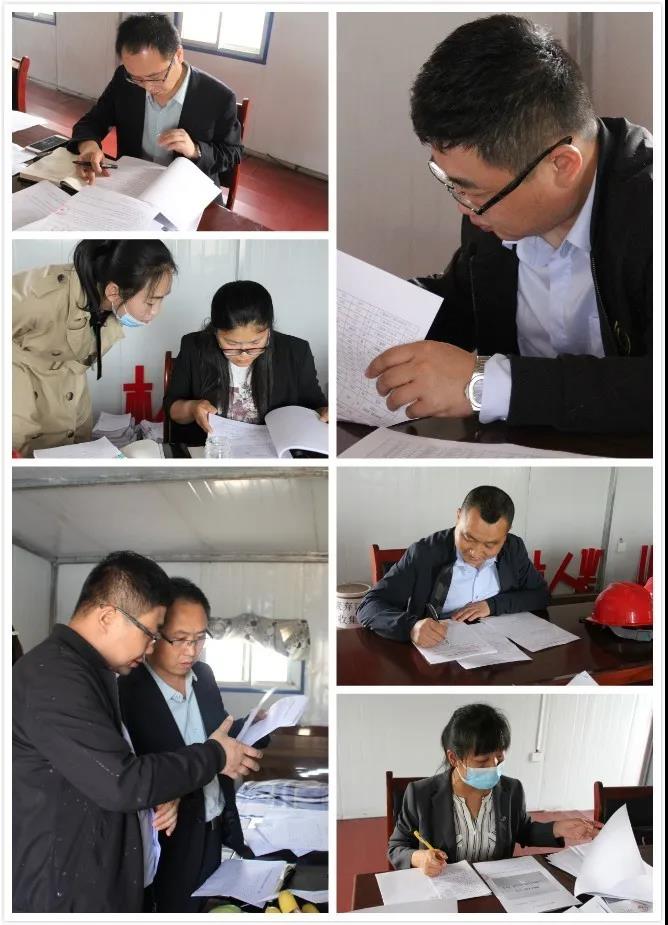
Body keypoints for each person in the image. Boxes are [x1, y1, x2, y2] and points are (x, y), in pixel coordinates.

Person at [366, 14, 652, 434]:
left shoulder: (648, 211)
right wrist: (371, 309)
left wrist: (486, 384)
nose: (464, 208)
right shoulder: (492, 215)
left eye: (474, 192)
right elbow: (465, 303)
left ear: (562, 165)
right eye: (450, 183)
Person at [12, 552, 263, 913]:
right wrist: (215, 755)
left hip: (92, 877)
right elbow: (123, 782)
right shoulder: (55, 676)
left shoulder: (87, 673)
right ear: (108, 617)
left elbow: (99, 773)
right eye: (150, 633)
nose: (149, 648)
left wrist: (157, 799)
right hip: (64, 892)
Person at [118, 577, 270, 912]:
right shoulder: (127, 693)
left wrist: (257, 726)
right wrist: (160, 799)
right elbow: (127, 775)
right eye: (180, 639)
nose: (191, 650)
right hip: (170, 839)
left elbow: (215, 739)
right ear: (154, 633)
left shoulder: (205, 677)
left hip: (214, 825)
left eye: (200, 638)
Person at [389, 703, 602, 872]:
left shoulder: (511, 789)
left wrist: (558, 828)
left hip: (498, 889)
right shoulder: (420, 794)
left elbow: (522, 831)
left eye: (499, 758)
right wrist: (420, 858)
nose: (493, 766)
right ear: (454, 758)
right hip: (446, 889)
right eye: (482, 761)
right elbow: (396, 848)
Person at [12, 239, 176, 457]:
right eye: (151, 302)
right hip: (20, 379)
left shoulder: (111, 307)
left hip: (70, 385)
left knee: (74, 451)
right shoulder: (44, 295)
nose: (156, 311)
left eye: (161, 300)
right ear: (114, 292)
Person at [357, 485, 549, 645]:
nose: (475, 553)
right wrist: (411, 627)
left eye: (490, 545)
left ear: (505, 534)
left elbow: (540, 595)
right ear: (458, 517)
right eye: (468, 538)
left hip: (499, 649)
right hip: (440, 650)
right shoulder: (425, 553)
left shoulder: (513, 548)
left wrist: (493, 605)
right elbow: (369, 605)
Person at [68, 14, 242, 187]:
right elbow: (92, 121)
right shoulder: (124, 79)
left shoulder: (218, 97)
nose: (147, 87)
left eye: (155, 77)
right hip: (132, 183)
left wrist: (195, 150)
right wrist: (89, 147)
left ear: (178, 55)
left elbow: (232, 153)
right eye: (136, 78)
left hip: (187, 188)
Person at [165, 279, 328, 445]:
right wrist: (192, 408)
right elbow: (172, 406)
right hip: (210, 450)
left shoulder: (296, 352)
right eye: (232, 344)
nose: (243, 354)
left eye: (255, 343)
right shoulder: (194, 347)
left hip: (274, 451)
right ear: (215, 332)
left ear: (269, 330)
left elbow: (316, 406)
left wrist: (325, 413)